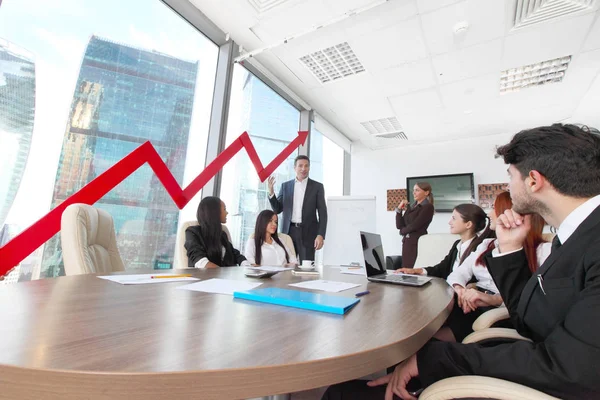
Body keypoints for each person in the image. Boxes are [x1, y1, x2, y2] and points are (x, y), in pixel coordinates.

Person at [322, 124, 600, 400]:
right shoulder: (574, 239)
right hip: (528, 368)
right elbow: (528, 322)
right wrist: (512, 249)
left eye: (510, 177)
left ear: (533, 181)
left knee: (339, 394)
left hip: (533, 385)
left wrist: (435, 359)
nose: (507, 187)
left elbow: (572, 371)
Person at [441, 192, 550, 342]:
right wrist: (461, 291)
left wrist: (492, 299)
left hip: (498, 309)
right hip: (471, 300)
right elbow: (458, 273)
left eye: (494, 207)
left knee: (449, 325)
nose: (489, 213)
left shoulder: (542, 251)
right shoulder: (487, 244)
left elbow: (531, 300)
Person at [396, 203, 492, 278]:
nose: (449, 222)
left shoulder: (480, 248)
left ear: (468, 224)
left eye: (454, 218)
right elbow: (442, 268)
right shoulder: (457, 244)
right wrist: (416, 271)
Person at [268, 155, 328, 263]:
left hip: (309, 233)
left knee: (307, 268)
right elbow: (277, 209)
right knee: (287, 267)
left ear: (309, 168)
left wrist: (321, 235)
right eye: (300, 166)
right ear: (295, 168)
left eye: (306, 166)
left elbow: (323, 214)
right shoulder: (285, 186)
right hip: (289, 232)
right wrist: (271, 193)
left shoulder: (317, 187)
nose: (303, 169)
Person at [184, 196, 250, 268]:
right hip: (204, 277)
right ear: (214, 212)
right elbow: (200, 261)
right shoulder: (193, 232)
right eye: (224, 209)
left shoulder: (222, 234)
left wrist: (247, 266)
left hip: (223, 277)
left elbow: (235, 254)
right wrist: (223, 274)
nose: (227, 212)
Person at [395, 182, 434, 268]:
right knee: (406, 269)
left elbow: (415, 225)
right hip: (407, 243)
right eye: (413, 190)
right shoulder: (412, 207)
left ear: (426, 192)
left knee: (413, 270)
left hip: (417, 242)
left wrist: (402, 231)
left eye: (417, 190)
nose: (414, 193)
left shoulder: (428, 207)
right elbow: (399, 225)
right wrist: (399, 209)